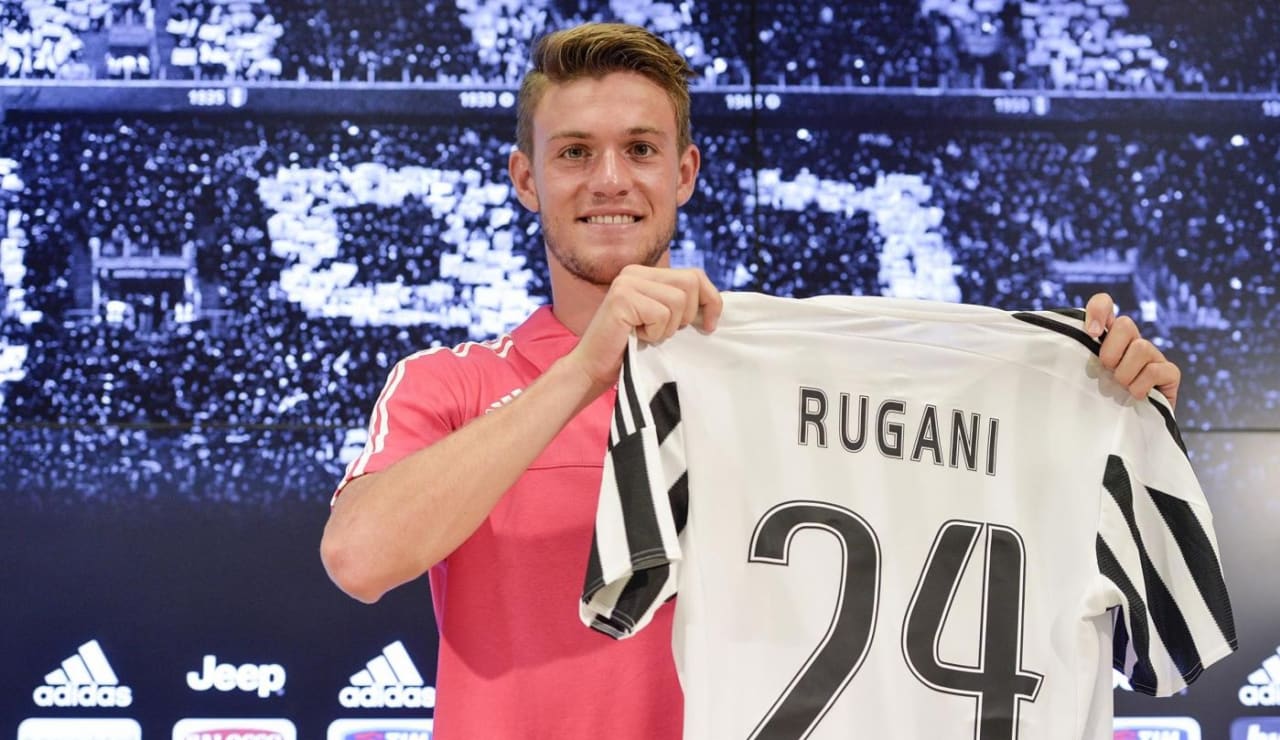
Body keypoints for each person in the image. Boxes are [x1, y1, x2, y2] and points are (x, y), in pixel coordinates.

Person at [319, 22, 1183, 739]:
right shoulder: (452, 383)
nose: (610, 179)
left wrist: (1099, 415)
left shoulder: (810, 390)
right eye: (575, 152)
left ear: (684, 173)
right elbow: (359, 559)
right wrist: (585, 371)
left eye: (640, 149)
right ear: (526, 180)